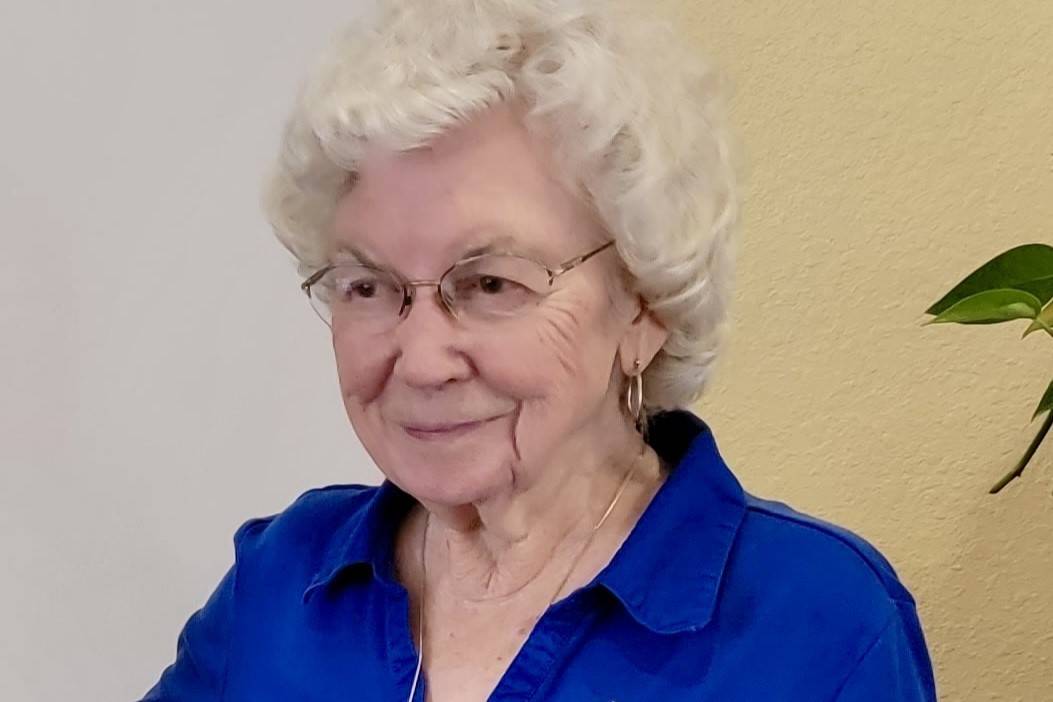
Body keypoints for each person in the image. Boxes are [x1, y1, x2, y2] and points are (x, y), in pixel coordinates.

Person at [143, 0, 936, 700]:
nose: (421, 361)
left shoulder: (814, 625)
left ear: (643, 305)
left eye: (488, 284)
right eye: (368, 286)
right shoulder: (280, 584)